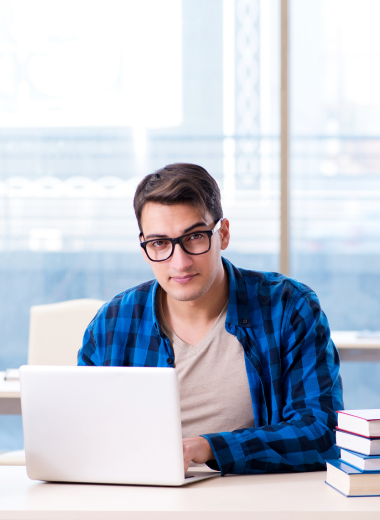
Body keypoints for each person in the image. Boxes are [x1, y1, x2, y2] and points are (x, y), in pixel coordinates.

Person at [78, 162, 343, 476]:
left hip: (259, 496)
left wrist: (207, 448)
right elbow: (86, 437)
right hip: (143, 497)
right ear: (145, 246)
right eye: (159, 243)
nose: (180, 262)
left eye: (194, 237)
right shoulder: (113, 323)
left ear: (224, 234)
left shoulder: (288, 307)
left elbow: (321, 432)